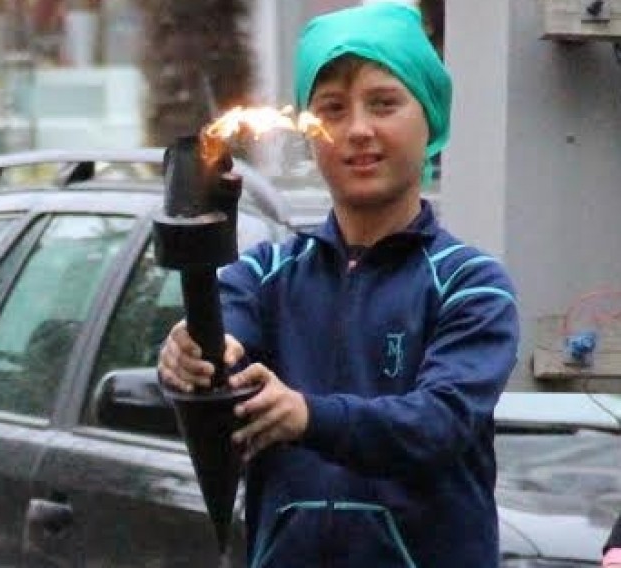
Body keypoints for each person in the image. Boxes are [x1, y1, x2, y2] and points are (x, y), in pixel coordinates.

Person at [156, 3, 520, 567]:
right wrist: (189, 354)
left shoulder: (470, 286)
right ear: (308, 131)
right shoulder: (264, 275)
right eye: (332, 108)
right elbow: (223, 335)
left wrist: (309, 417)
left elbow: (439, 423)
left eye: (384, 103)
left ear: (431, 118)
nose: (358, 130)